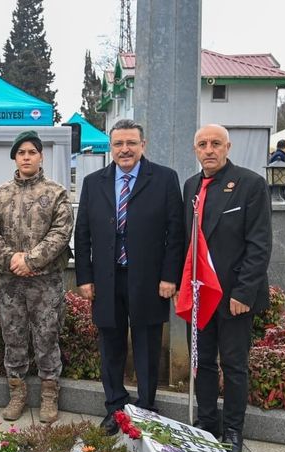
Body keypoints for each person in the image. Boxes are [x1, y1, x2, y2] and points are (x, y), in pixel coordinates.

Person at [74, 119, 184, 435]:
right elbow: (82, 233)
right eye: (119, 144)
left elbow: (175, 233)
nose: (125, 149)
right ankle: (115, 408)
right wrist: (85, 276)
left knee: (148, 345)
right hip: (106, 280)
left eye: (131, 143)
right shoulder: (94, 182)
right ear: (111, 147)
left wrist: (169, 276)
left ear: (143, 145)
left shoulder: (164, 179)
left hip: (150, 280)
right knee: (111, 345)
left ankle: (147, 407)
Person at [183, 124, 272, 452]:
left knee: (234, 365)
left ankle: (233, 430)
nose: (209, 149)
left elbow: (259, 244)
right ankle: (207, 423)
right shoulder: (191, 186)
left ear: (228, 147)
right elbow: (188, 242)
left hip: (233, 296)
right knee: (202, 361)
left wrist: (243, 293)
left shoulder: (250, 184)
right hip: (199, 294)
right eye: (202, 144)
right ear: (195, 149)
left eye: (215, 143)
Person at [0, 131, 74, 424]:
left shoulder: (56, 192)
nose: (26, 157)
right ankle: (17, 393)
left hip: (45, 280)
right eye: (21, 153)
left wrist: (30, 260)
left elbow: (61, 232)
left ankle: (49, 394)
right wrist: (10, 259)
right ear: (15, 158)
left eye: (32, 152)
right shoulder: (0, 194)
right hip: (9, 280)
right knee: (13, 336)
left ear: (41, 156)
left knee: (47, 336)